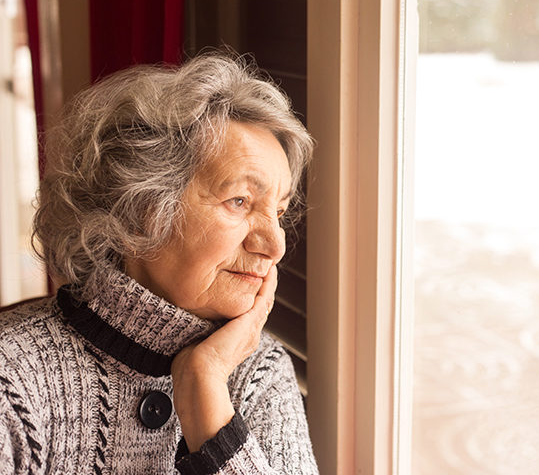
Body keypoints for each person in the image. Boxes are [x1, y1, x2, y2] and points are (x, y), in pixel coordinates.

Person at [0, 54, 319, 474]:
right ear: (142, 207)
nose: (274, 245)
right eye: (239, 201)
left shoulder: (259, 372)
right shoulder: (12, 376)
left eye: (277, 211)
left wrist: (208, 401)